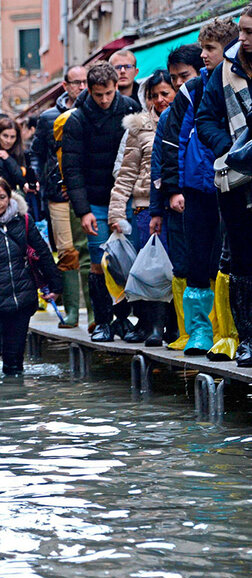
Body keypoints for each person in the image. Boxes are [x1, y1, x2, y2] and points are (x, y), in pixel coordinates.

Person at [160, 29, 235, 357]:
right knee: (197, 259)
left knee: (229, 259)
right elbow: (172, 141)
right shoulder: (192, 89)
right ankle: (201, 331)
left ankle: (229, 331)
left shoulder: (236, 82)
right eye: (202, 48)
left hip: (232, 180)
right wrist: (174, 188)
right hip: (196, 185)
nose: (203, 54)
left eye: (210, 48)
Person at [60, 61, 141, 342]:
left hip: (126, 195)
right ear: (90, 92)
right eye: (98, 95)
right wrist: (83, 211)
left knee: (127, 261)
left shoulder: (130, 108)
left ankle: (125, 320)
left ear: (116, 87)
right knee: (98, 262)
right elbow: (72, 170)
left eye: (108, 93)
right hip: (94, 200)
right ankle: (103, 321)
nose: (104, 100)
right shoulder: (77, 119)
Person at [196, 6, 252, 368]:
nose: (243, 40)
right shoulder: (222, 75)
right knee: (243, 262)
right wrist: (229, 150)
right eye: (242, 32)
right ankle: (248, 341)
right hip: (237, 181)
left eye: (249, 33)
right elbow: (205, 119)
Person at [0, 177, 62, 375]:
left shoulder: (23, 220)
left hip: (20, 299)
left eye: (2, 197)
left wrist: (56, 285)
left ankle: (15, 401)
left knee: (14, 359)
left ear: (9, 197)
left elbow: (42, 252)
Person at [108, 69, 176, 346]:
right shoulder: (139, 127)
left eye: (165, 94)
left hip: (177, 206)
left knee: (176, 268)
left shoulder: (186, 120)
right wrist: (115, 213)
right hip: (144, 208)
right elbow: (125, 174)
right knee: (149, 269)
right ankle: (153, 327)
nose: (160, 100)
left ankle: (174, 327)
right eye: (154, 95)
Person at [149, 45, 205, 349]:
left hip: (207, 194)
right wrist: (163, 202)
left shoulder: (208, 103)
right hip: (175, 201)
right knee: (181, 265)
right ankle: (188, 332)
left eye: (184, 76)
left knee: (211, 264)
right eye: (174, 78)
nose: (178, 83)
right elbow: (160, 161)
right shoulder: (169, 115)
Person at [32, 65, 91, 329]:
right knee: (67, 251)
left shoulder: (92, 113)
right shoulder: (47, 118)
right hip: (58, 192)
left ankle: (94, 313)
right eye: (76, 82)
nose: (81, 87)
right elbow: (36, 153)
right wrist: (37, 177)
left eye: (84, 82)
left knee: (89, 251)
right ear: (65, 85)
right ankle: (71, 312)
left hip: (88, 190)